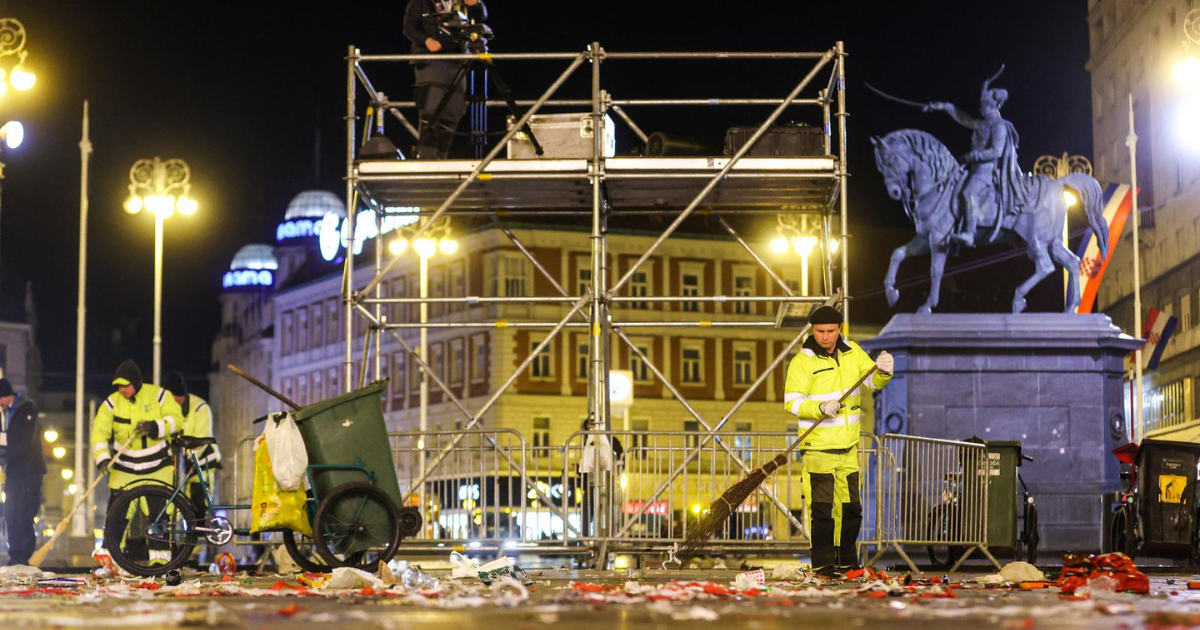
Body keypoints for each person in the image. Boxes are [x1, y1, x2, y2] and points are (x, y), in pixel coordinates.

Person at [783, 306, 893, 578]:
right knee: (822, 510)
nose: (825, 336)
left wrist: (884, 372)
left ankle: (847, 562)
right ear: (812, 330)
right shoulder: (803, 361)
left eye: (831, 331)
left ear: (840, 329)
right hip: (818, 449)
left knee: (851, 509)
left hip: (848, 450)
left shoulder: (853, 352)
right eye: (820, 331)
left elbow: (872, 383)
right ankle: (823, 564)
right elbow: (791, 402)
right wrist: (819, 407)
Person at [91, 359, 183, 566]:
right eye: (119, 386)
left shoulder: (160, 396)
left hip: (157, 466)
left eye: (126, 385)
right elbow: (99, 434)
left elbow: (177, 420)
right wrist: (103, 459)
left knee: (158, 516)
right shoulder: (111, 404)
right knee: (116, 516)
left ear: (137, 382)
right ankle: (110, 562)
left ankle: (160, 562)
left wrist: (155, 426)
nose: (123, 389)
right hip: (124, 467)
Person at [924, 67, 1027, 247]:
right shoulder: (982, 124)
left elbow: (997, 151)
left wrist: (975, 155)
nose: (980, 109)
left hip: (986, 172)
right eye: (981, 106)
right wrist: (941, 106)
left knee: (967, 192)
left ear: (994, 106)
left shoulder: (999, 126)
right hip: (972, 169)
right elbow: (963, 118)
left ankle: (970, 233)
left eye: (984, 106)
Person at [403, 0, 488, 159]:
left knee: (453, 109)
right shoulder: (419, 3)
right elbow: (408, 27)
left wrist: (477, 3)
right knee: (431, 108)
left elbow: (482, 16)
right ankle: (427, 157)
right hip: (430, 60)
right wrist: (427, 41)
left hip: (457, 61)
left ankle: (441, 156)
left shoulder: (460, 2)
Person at [163, 371, 220, 519]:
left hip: (202, 464)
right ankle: (178, 539)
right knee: (174, 505)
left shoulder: (200, 408)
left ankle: (199, 537)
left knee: (199, 507)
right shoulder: (166, 409)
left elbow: (201, 439)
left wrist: (186, 459)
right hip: (178, 465)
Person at [0, 378, 44, 566]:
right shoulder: (4, 413)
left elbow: (23, 443)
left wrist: (4, 455)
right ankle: (15, 554)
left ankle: (24, 556)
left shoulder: (27, 410)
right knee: (11, 512)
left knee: (24, 512)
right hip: (12, 472)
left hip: (29, 471)